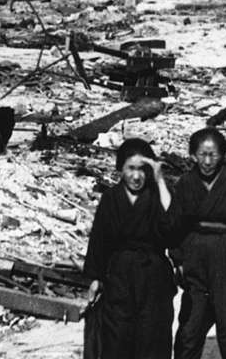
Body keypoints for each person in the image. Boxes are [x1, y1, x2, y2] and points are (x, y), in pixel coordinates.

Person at [170, 127, 226, 359]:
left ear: (222, 155)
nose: (208, 161)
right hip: (195, 258)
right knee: (190, 326)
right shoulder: (186, 184)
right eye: (202, 154)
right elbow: (175, 226)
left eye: (213, 155)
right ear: (193, 155)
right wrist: (178, 259)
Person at [83, 137, 177, 359]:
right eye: (130, 169)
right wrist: (95, 279)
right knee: (117, 336)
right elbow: (99, 239)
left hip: (153, 277)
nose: (136, 176)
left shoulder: (158, 196)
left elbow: (174, 224)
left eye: (142, 170)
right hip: (119, 277)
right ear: (120, 169)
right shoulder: (111, 198)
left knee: (152, 337)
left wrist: (160, 179)